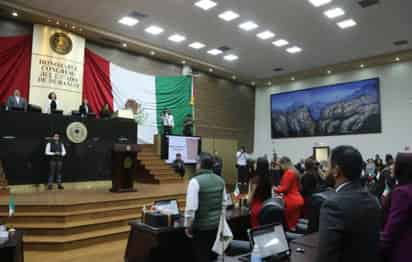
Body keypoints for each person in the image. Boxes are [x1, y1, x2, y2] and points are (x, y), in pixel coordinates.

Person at [316, 145, 382, 262]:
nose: (327, 170)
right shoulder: (374, 200)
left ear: (336, 171)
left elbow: (325, 257)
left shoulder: (333, 205)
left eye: (329, 166)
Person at [184, 152, 226, 262]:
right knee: (213, 257)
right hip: (216, 227)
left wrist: (188, 226)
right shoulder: (220, 180)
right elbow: (224, 204)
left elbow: (191, 208)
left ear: (199, 164)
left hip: (201, 228)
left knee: (201, 257)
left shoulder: (194, 181)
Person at [381, 153, 412, 262]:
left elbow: (393, 226)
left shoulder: (402, 192)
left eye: (394, 163)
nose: (391, 166)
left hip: (402, 251)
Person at [274, 157, 304, 230]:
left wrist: (275, 189)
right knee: (294, 225)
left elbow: (285, 188)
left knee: (290, 226)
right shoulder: (295, 171)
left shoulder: (289, 173)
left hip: (291, 201)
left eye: (280, 165)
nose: (280, 168)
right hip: (297, 200)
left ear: (284, 164)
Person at [248, 157, 272, 228]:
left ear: (259, 166)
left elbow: (249, 200)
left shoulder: (255, 180)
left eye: (255, 163)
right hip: (266, 207)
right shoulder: (269, 178)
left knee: (256, 230)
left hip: (256, 208)